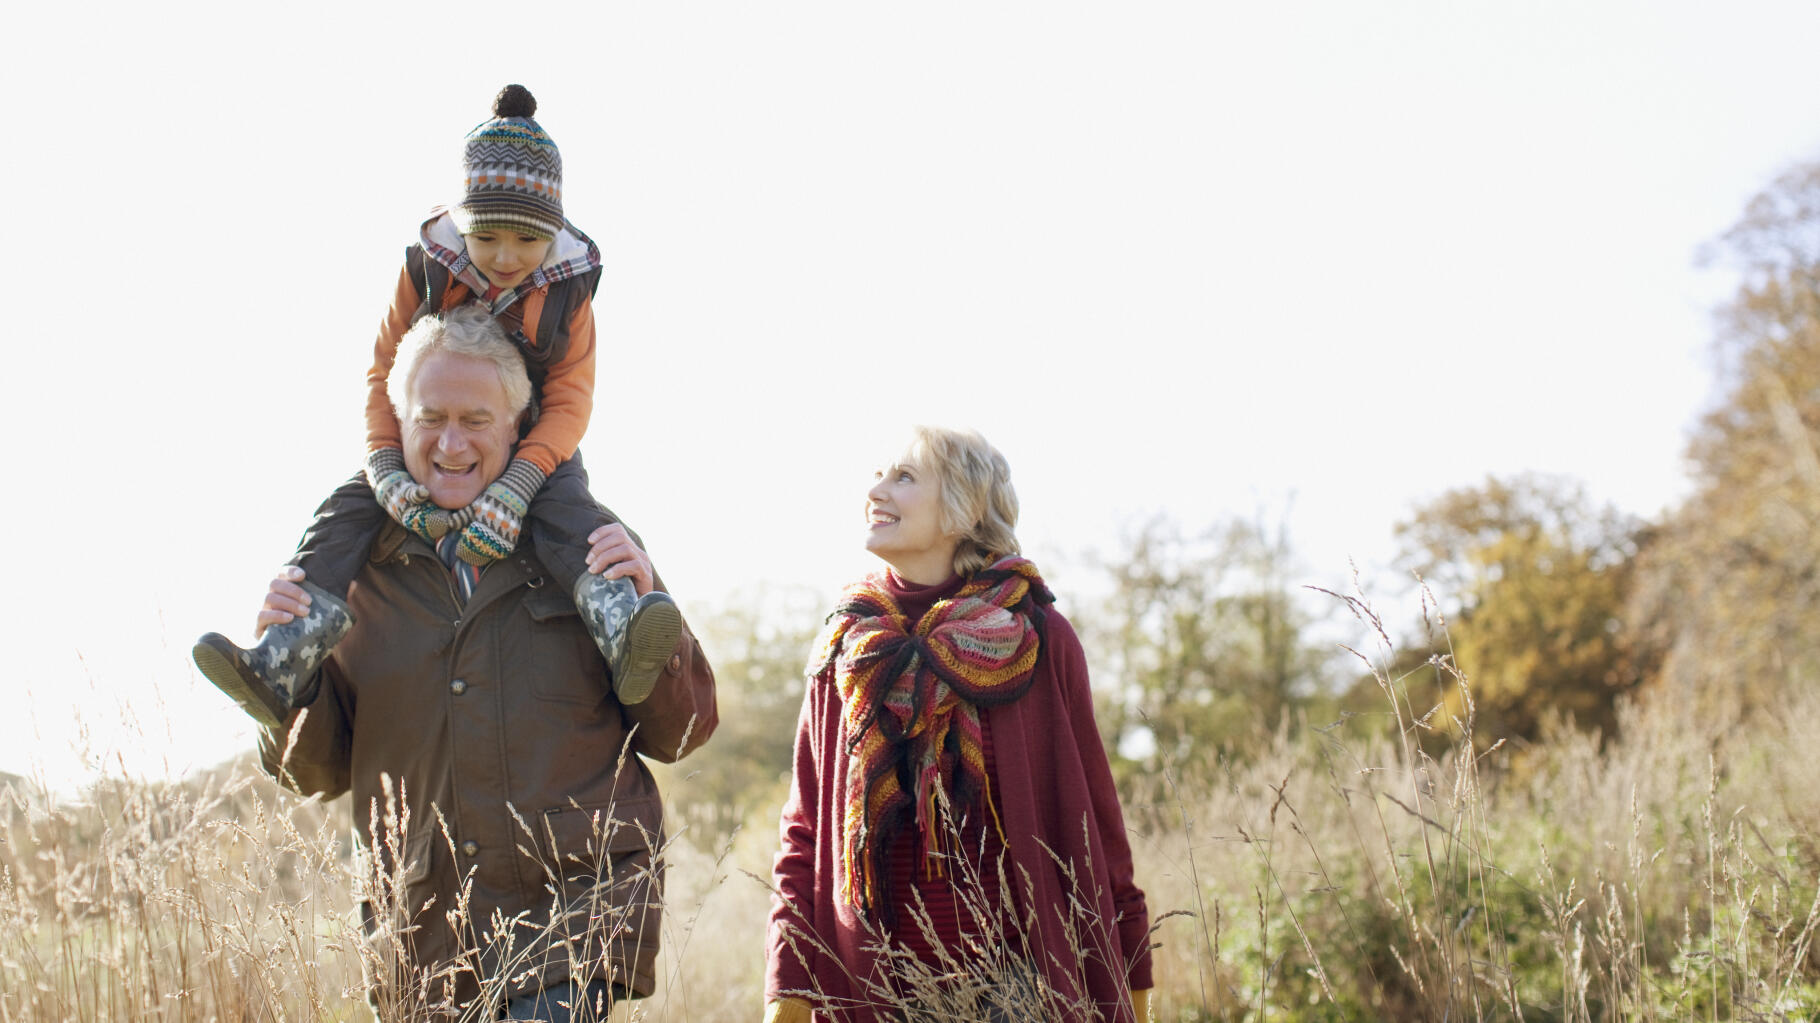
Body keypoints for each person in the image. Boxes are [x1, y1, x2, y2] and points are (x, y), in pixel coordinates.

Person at [256, 305, 717, 1021]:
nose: (450, 442)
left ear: (519, 424)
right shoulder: (351, 576)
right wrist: (289, 684)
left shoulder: (587, 549)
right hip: (420, 941)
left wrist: (655, 604)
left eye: (476, 419)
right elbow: (312, 771)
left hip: (568, 928)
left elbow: (682, 733)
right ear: (397, 422)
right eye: (430, 416)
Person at [193, 83, 680, 729]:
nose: (506, 258)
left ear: (555, 231)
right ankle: (282, 657)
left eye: (526, 241)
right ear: (463, 223)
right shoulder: (426, 269)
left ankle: (620, 627)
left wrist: (523, 480)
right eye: (488, 238)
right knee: (342, 516)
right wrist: (386, 464)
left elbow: (570, 402)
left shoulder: (570, 293)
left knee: (574, 518)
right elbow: (382, 375)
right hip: (410, 447)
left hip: (535, 446)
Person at [763, 427, 1154, 1022]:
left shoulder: (1039, 638)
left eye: (903, 477)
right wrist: (786, 990)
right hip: (875, 991)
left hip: (1019, 992)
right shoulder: (847, 648)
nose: (876, 489)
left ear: (964, 509)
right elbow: (804, 834)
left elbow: (1096, 822)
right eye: (876, 474)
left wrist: (1132, 977)